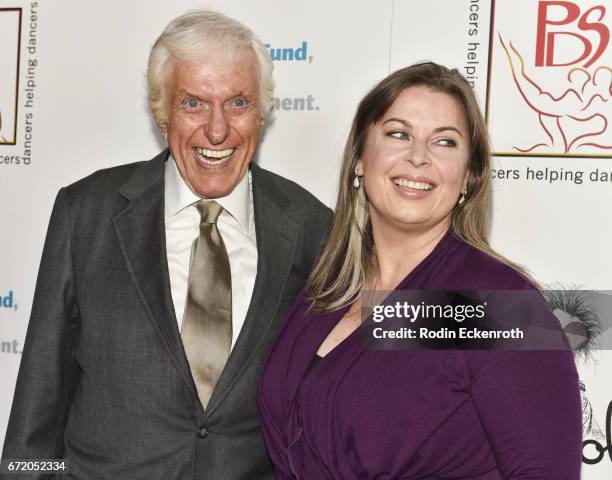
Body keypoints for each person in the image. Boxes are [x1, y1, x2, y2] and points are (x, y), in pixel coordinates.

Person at [2, 9, 331, 480]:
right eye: (193, 103)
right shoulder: (87, 214)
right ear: (161, 113)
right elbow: (37, 409)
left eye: (237, 103)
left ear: (262, 112)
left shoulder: (310, 226)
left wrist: (472, 314)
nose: (217, 131)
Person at [258, 62, 582, 479]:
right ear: (360, 158)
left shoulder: (495, 306)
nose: (417, 157)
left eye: (444, 142)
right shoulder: (325, 290)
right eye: (398, 134)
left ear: (467, 176)